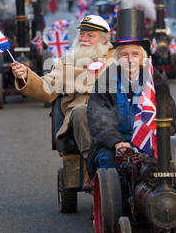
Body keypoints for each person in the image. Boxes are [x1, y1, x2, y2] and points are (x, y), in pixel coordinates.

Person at [86, 8, 176, 181]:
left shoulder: (156, 81)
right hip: (115, 143)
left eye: (135, 54)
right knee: (110, 163)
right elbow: (99, 119)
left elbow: (170, 116)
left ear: (142, 57)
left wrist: (156, 138)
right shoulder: (106, 82)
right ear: (117, 58)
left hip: (152, 139)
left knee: (173, 160)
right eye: (125, 54)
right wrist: (117, 142)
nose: (129, 59)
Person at [11, 15, 114, 160]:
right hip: (80, 114)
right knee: (80, 112)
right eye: (82, 34)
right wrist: (25, 76)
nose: (84, 39)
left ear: (104, 39)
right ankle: (91, 166)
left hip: (111, 109)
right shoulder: (67, 62)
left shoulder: (117, 58)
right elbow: (47, 87)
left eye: (90, 36)